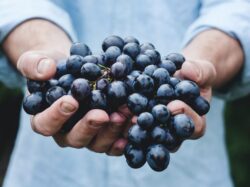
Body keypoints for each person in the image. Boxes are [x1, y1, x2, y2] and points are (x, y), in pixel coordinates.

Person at [0, 0, 250, 187]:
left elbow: (237, 10)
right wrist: (43, 51)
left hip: (190, 174)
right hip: (49, 174)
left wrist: (203, 62)